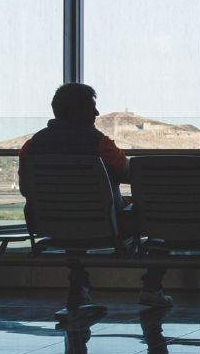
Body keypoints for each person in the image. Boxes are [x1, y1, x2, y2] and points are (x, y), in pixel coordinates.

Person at [20, 83, 171, 310]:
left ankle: (78, 286)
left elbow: (26, 189)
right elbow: (132, 175)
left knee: (73, 216)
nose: (97, 113)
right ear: (77, 111)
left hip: (53, 224)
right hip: (106, 225)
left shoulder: (31, 147)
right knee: (160, 213)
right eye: (92, 108)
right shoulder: (99, 144)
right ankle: (152, 285)